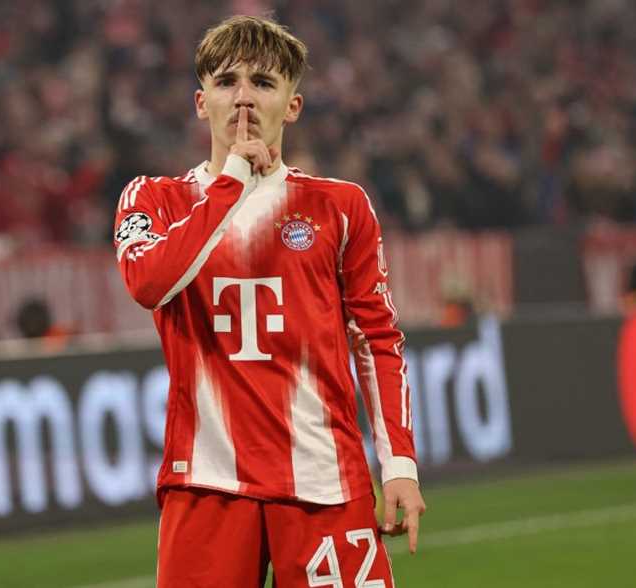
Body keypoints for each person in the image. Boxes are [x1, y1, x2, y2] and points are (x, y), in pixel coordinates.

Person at [113, 15, 425, 587]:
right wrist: (231, 181)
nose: (243, 98)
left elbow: (377, 339)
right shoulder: (153, 198)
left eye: (262, 82)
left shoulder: (341, 207)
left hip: (324, 482)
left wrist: (399, 462)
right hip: (206, 484)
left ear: (293, 105)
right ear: (201, 102)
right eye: (226, 82)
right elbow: (148, 283)